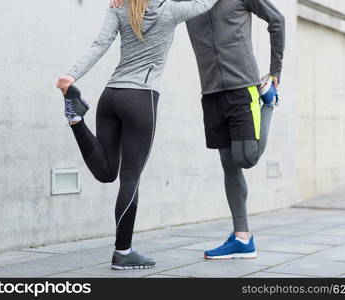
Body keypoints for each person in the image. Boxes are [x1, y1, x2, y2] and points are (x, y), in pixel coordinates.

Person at [111, 0, 285, 260]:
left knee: (246, 157)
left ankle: (269, 102)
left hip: (243, 87)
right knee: (229, 164)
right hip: (211, 91)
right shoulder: (186, 3)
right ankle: (242, 238)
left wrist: (275, 72)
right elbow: (152, 8)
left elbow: (277, 20)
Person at [56, 0, 220, 270]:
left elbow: (100, 44)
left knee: (107, 172)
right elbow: (205, 2)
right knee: (130, 178)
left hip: (110, 97)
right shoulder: (171, 10)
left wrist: (70, 76)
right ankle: (123, 252)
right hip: (141, 98)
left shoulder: (119, 7)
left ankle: (76, 119)